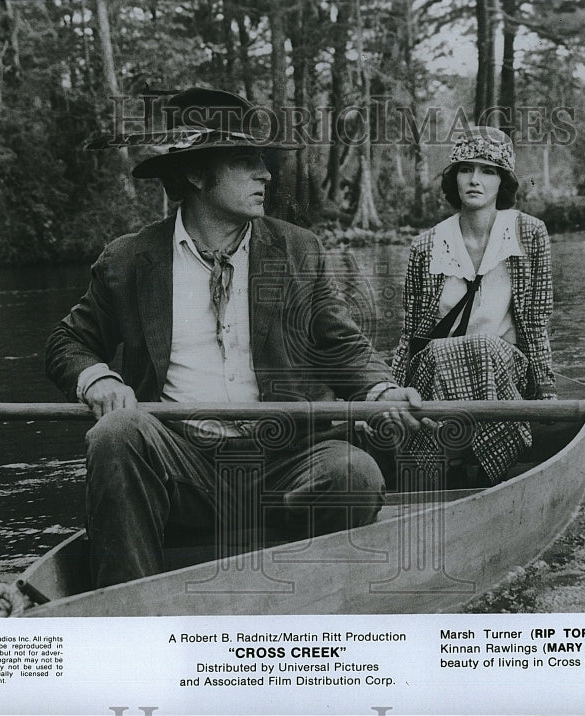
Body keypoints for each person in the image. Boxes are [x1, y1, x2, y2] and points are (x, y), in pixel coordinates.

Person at [45, 87, 424, 589]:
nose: (266, 174)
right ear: (197, 174)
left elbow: (340, 344)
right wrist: (97, 378)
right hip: (183, 465)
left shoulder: (296, 249)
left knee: (354, 474)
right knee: (116, 435)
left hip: (287, 460)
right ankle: (128, 610)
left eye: (264, 161)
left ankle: (315, 596)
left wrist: (380, 390)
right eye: (247, 161)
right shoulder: (130, 260)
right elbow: (68, 342)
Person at [391, 125, 555, 487]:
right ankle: (441, 467)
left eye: (488, 170)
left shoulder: (530, 234)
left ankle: (489, 466)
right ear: (454, 179)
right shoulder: (426, 245)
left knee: (484, 347)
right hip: (435, 371)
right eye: (466, 169)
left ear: (503, 182)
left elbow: (536, 318)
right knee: (448, 350)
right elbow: (411, 331)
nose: (475, 180)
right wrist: (390, 391)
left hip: (505, 371)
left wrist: (546, 391)